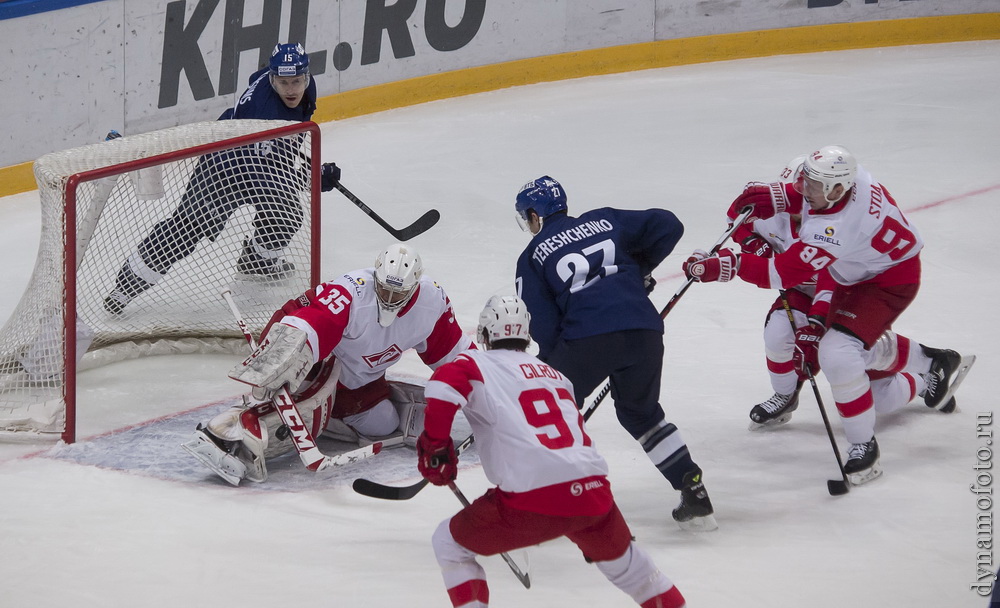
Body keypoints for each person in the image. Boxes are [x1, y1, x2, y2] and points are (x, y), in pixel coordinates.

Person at [683, 145, 973, 484]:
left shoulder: (833, 229)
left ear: (837, 188)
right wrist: (777, 197)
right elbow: (774, 209)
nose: (804, 191)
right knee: (827, 347)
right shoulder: (850, 180)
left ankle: (866, 445)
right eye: (804, 181)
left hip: (887, 280)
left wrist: (729, 267)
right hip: (854, 270)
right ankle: (929, 363)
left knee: (839, 353)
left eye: (812, 185)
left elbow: (782, 274)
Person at [416, 295, 687, 608]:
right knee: (633, 570)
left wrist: (435, 447)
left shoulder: (475, 363)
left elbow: (441, 388)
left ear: (485, 333)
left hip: (531, 500)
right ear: (526, 335)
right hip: (594, 495)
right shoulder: (555, 375)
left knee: (449, 543)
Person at [512, 175, 716, 531]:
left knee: (547, 412)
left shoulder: (532, 255)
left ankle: (549, 500)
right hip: (644, 330)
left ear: (534, 215)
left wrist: (554, 368)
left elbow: (542, 323)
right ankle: (691, 486)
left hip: (586, 339)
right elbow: (669, 225)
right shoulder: (604, 219)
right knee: (642, 415)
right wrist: (636, 274)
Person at [182, 242, 476, 485]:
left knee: (384, 423)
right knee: (311, 404)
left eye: (397, 293)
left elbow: (453, 350)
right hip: (316, 358)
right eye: (384, 289)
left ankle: (331, 415)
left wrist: (488, 382)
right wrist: (284, 357)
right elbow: (310, 325)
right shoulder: (351, 293)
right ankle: (228, 431)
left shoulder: (431, 301)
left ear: (413, 288)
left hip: (360, 378)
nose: (388, 298)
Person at [104, 43, 342, 315]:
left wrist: (293, 156)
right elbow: (265, 174)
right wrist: (310, 178)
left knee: (286, 214)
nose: (291, 89)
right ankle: (125, 287)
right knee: (186, 229)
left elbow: (259, 83)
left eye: (296, 81)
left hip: (259, 157)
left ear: (306, 76)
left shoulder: (290, 85)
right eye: (283, 82)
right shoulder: (265, 114)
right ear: (274, 79)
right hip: (225, 167)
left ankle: (256, 263)